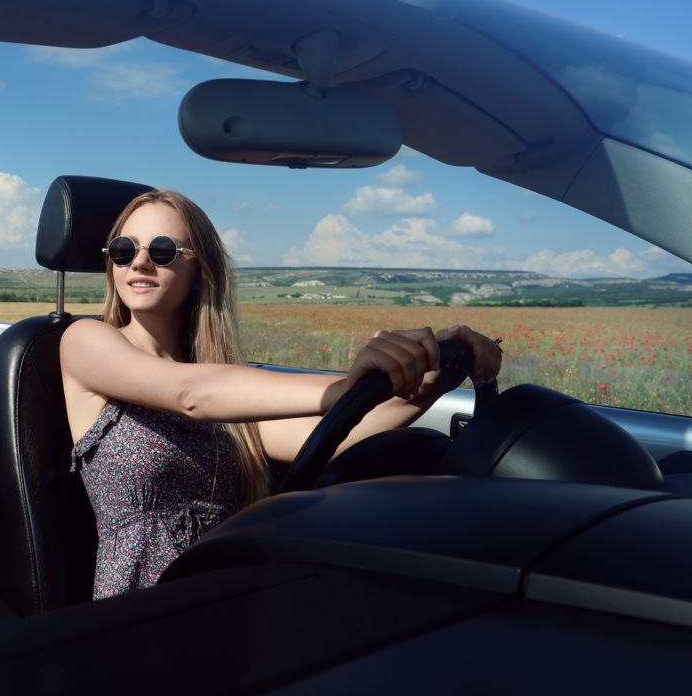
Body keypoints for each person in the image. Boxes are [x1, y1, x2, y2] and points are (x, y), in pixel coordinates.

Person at [59, 189, 502, 599]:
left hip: (228, 594)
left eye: (161, 251)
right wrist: (348, 382)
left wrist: (428, 383)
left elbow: (335, 434)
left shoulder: (230, 390)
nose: (137, 263)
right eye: (122, 250)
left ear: (199, 270)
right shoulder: (85, 341)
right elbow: (189, 394)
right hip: (140, 607)